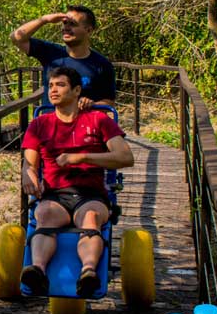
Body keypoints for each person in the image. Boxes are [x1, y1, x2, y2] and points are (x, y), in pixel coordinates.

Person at [19, 67, 134, 297]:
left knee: (90, 219)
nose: (53, 90)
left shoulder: (98, 119)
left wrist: (82, 157)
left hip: (90, 194)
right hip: (55, 193)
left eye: (60, 85)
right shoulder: (40, 124)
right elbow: (29, 163)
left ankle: (89, 272)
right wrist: (27, 175)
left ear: (77, 90)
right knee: (45, 216)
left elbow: (125, 157)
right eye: (51, 85)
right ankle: (38, 270)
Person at [11, 5, 116, 110]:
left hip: (84, 124)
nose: (66, 28)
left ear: (88, 30)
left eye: (72, 24)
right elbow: (17, 38)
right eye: (65, 23)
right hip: (50, 124)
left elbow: (109, 102)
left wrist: (92, 104)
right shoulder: (50, 52)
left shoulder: (102, 64)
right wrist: (44, 20)